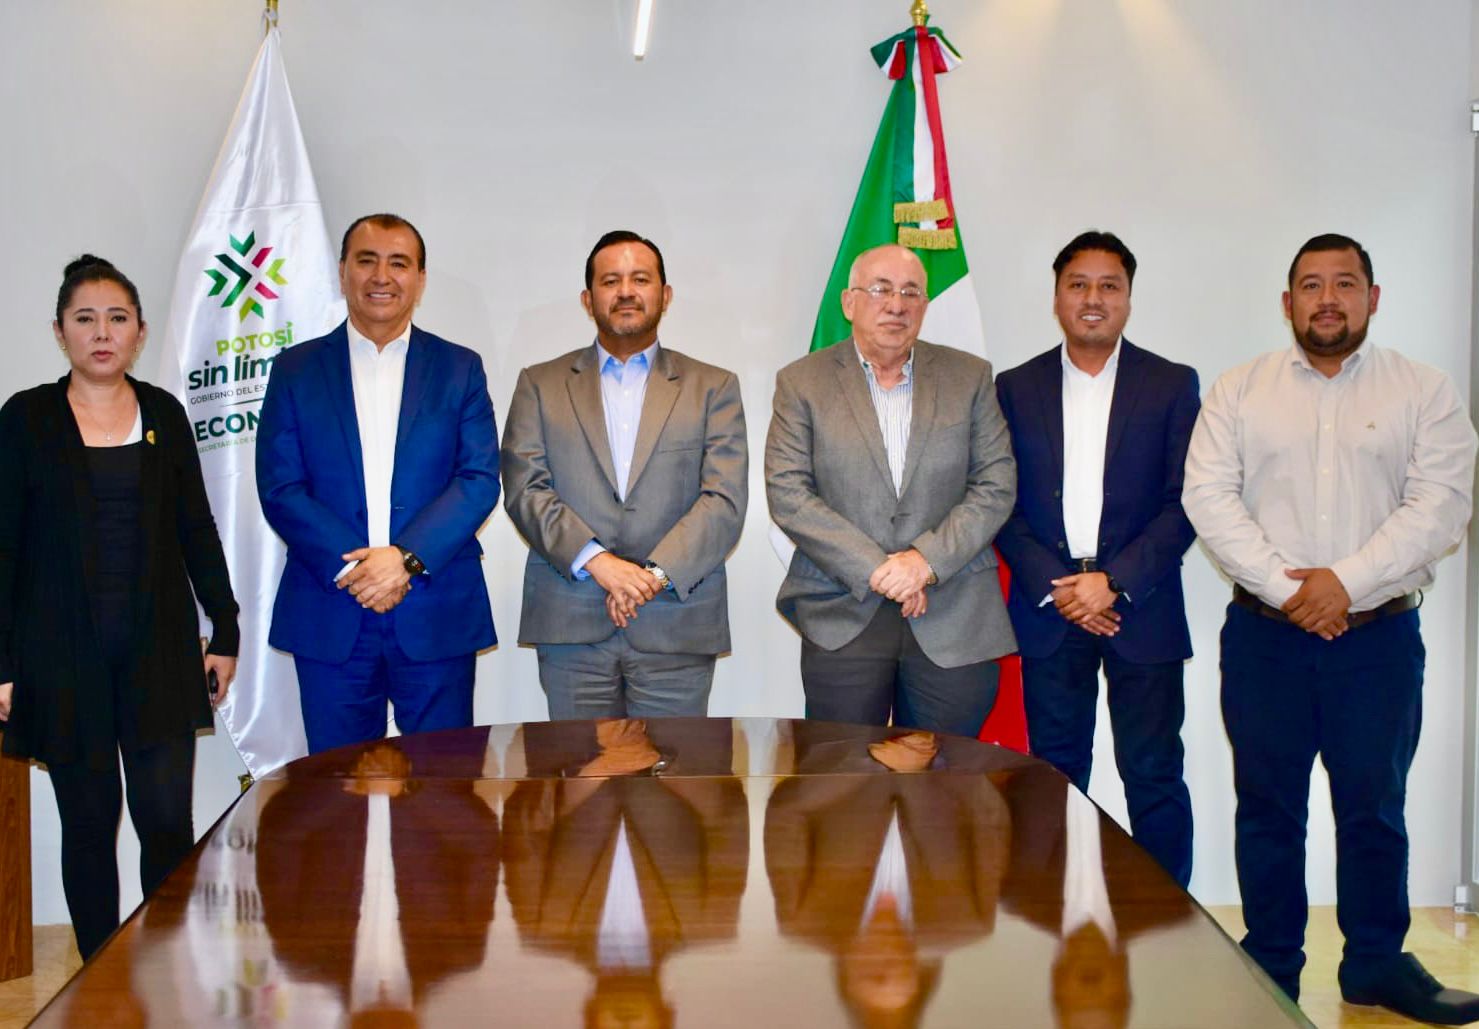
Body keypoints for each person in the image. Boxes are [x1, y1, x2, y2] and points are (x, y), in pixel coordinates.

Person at [1183, 233, 1479, 1022]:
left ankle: (1374, 962)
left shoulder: (1424, 390)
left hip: (1377, 641)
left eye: (1344, 283)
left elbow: (1440, 506)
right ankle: (1271, 964)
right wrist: (1291, 592)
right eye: (1310, 285)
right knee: (1266, 805)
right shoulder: (1239, 389)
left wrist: (1341, 583)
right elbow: (1209, 497)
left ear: (1371, 297)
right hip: (1264, 640)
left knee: (1373, 804)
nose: (1326, 299)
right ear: (1286, 302)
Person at [0, 256, 239, 960]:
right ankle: (97, 979)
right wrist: (3, 663)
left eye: (117, 318)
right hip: (61, 659)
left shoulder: (163, 413)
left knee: (165, 822)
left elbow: (196, 527)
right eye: (85, 319)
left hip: (157, 653)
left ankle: (164, 971)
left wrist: (224, 627)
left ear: (138, 332)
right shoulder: (25, 418)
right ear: (59, 331)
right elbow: (3, 545)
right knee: (88, 823)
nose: (101, 333)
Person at [994, 231, 1199, 887]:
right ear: (1056, 297)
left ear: (1128, 299)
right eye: (1077, 284)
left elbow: (1186, 501)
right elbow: (999, 502)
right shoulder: (1014, 387)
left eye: (1109, 285)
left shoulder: (1170, 384)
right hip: (1050, 611)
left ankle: (1169, 924)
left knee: (1154, 772)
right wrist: (1060, 588)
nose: (1092, 298)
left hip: (1141, 608)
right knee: (1052, 773)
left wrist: (1114, 582)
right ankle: (1052, 914)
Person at [257, 213, 499, 754]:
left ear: (420, 278)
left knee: (445, 785)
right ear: (343, 271)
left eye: (399, 263)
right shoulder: (295, 370)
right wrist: (359, 568)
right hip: (332, 605)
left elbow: (478, 479)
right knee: (335, 789)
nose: (381, 276)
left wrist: (405, 559)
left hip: (435, 607)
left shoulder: (460, 368)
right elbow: (280, 486)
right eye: (366, 261)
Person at [765, 243, 1016, 735]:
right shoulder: (802, 383)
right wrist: (880, 570)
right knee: (840, 773)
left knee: (946, 773)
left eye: (910, 292)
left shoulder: (970, 377)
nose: (896, 305)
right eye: (880, 290)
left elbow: (996, 483)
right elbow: (789, 493)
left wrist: (923, 563)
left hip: (953, 609)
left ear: (925, 305)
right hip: (843, 609)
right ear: (849, 302)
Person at [501, 230, 746, 718]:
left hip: (676, 623)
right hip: (572, 623)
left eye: (640, 279)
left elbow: (724, 500)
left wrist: (650, 577)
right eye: (611, 281)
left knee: (674, 767)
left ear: (665, 295)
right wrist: (600, 563)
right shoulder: (540, 384)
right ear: (587, 299)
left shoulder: (713, 387)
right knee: (579, 767)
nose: (626, 291)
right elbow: (525, 487)